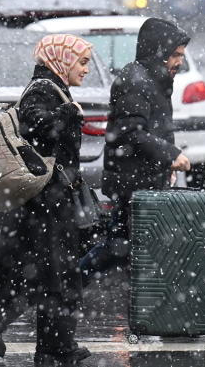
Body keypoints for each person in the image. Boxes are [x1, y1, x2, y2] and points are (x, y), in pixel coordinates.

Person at [0, 34, 93, 365]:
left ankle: (51, 347)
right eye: (82, 62)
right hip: (46, 203)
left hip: (47, 201)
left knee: (48, 277)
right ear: (61, 60)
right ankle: (49, 345)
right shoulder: (42, 90)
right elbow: (36, 125)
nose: (87, 70)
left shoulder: (51, 88)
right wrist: (68, 113)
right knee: (56, 277)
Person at [80, 18, 191, 287]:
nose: (179, 62)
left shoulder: (153, 79)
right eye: (175, 55)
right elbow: (132, 132)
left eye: (181, 56)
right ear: (158, 52)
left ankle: (149, 311)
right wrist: (170, 154)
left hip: (143, 181)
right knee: (122, 248)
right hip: (133, 184)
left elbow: (154, 129)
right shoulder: (137, 81)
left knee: (130, 248)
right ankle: (62, 287)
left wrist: (166, 167)